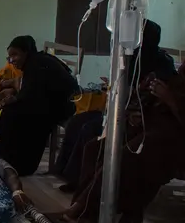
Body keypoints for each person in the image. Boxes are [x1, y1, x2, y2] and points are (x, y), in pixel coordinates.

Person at [60, 23, 185, 223]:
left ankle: (84, 212)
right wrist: (143, 112)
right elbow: (167, 106)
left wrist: (169, 98)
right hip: (163, 134)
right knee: (97, 147)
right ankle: (83, 208)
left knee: (129, 157)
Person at [54, 20, 176, 190]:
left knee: (89, 129)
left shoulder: (161, 64)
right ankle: (66, 174)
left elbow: (149, 95)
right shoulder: (131, 57)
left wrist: (128, 92)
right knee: (77, 122)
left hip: (137, 116)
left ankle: (84, 183)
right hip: (118, 108)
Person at [0, 36, 78, 176]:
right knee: (11, 111)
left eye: (15, 55)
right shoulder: (35, 63)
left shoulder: (37, 65)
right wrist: (11, 99)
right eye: (9, 56)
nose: (11, 60)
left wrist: (12, 100)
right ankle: (4, 156)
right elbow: (31, 93)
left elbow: (34, 97)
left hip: (61, 107)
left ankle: (21, 164)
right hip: (47, 103)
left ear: (27, 52)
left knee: (16, 115)